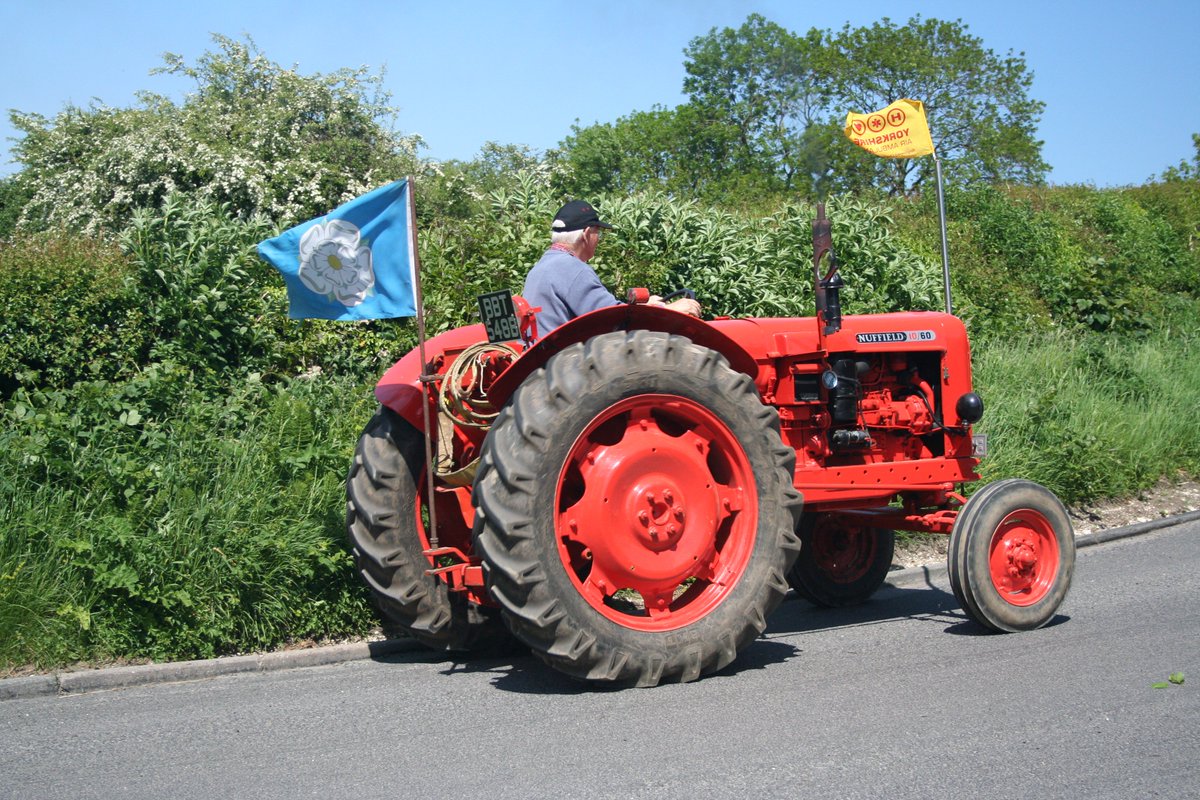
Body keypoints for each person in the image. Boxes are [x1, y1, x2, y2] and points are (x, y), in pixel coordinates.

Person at [522, 199, 702, 334]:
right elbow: (613, 320)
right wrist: (668, 310)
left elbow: (601, 310)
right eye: (597, 233)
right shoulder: (572, 269)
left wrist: (649, 306)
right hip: (565, 366)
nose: (598, 240)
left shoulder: (540, 268)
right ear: (586, 234)